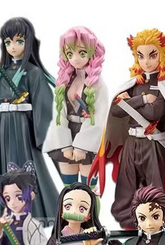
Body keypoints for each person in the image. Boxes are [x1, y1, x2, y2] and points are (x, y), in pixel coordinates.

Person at [89, 29, 165, 229]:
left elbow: (154, 112)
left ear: (161, 54)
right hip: (132, 144)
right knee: (127, 187)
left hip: (155, 145)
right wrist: (142, 99)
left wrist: (130, 102)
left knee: (161, 187)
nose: (146, 62)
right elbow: (116, 110)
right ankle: (131, 220)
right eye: (141, 56)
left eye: (152, 55)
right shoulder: (133, 84)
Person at [0, 17, 59, 224]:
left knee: (21, 165)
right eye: (8, 42)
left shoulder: (33, 72)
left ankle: (28, 212)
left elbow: (43, 104)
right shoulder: (1, 72)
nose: (13, 47)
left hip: (21, 125)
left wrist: (40, 135)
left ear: (28, 42)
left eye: (19, 41)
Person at [43, 26, 108, 188]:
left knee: (89, 188)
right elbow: (58, 114)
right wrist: (65, 144)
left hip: (88, 139)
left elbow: (99, 117)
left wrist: (82, 146)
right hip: (67, 134)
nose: (75, 59)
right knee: (68, 188)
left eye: (82, 53)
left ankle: (91, 207)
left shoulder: (98, 84)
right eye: (70, 54)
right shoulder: (65, 80)